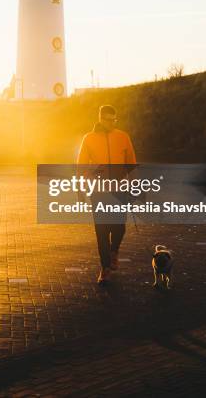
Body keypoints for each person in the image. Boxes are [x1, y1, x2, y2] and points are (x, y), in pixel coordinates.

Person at [77, 105, 137, 284]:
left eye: (114, 120)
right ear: (101, 119)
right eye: (109, 120)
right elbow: (81, 166)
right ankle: (105, 268)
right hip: (98, 192)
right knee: (101, 231)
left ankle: (114, 251)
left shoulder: (123, 136)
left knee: (119, 227)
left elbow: (132, 164)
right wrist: (81, 187)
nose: (112, 123)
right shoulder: (89, 138)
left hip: (120, 191)